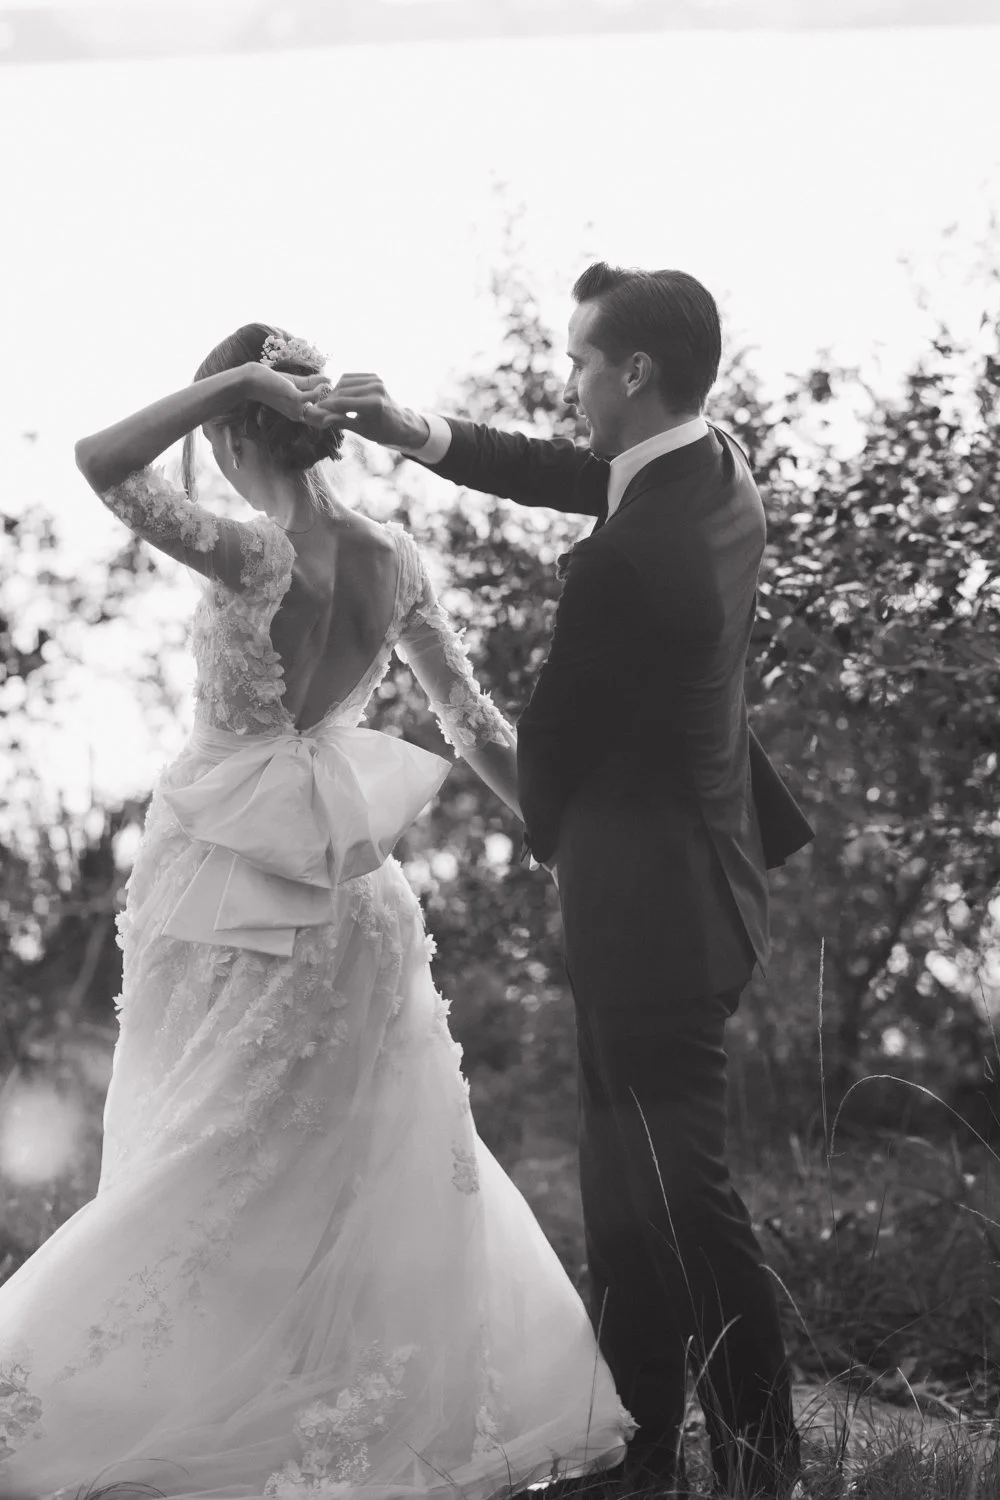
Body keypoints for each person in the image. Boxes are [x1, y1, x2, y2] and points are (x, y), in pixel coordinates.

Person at [0, 324, 634, 1500]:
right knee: (335, 1158)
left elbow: (97, 461)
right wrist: (555, 830)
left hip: (225, 885)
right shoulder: (394, 559)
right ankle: (327, 1390)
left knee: (205, 1138)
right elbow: (475, 726)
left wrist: (227, 377)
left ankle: (177, 1391)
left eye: (223, 426)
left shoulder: (247, 554)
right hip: (354, 898)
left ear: (239, 425)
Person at [303, 264, 815, 1499]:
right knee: (622, 1179)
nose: (569, 380)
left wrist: (440, 753)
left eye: (581, 361)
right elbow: (581, 472)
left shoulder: (622, 569)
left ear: (631, 372)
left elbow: (552, 771)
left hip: (653, 915)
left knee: (679, 1190)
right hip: (703, 880)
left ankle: (763, 1456)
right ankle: (633, 1438)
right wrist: (418, 432)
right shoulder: (710, 467)